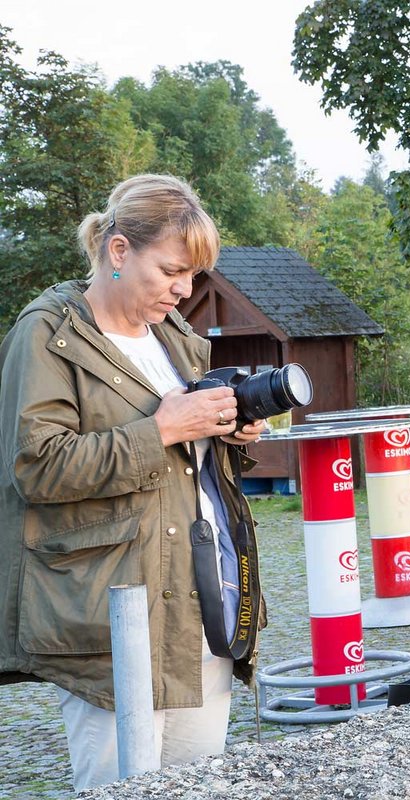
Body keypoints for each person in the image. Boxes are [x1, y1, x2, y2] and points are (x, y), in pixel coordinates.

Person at [0, 174, 267, 791]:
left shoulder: (178, 341)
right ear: (119, 250)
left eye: (193, 275)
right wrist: (164, 429)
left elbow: (185, 465)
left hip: (203, 600)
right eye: (172, 270)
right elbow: (36, 468)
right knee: (118, 787)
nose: (185, 290)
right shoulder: (45, 334)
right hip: (109, 611)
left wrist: (226, 435)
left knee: (198, 785)